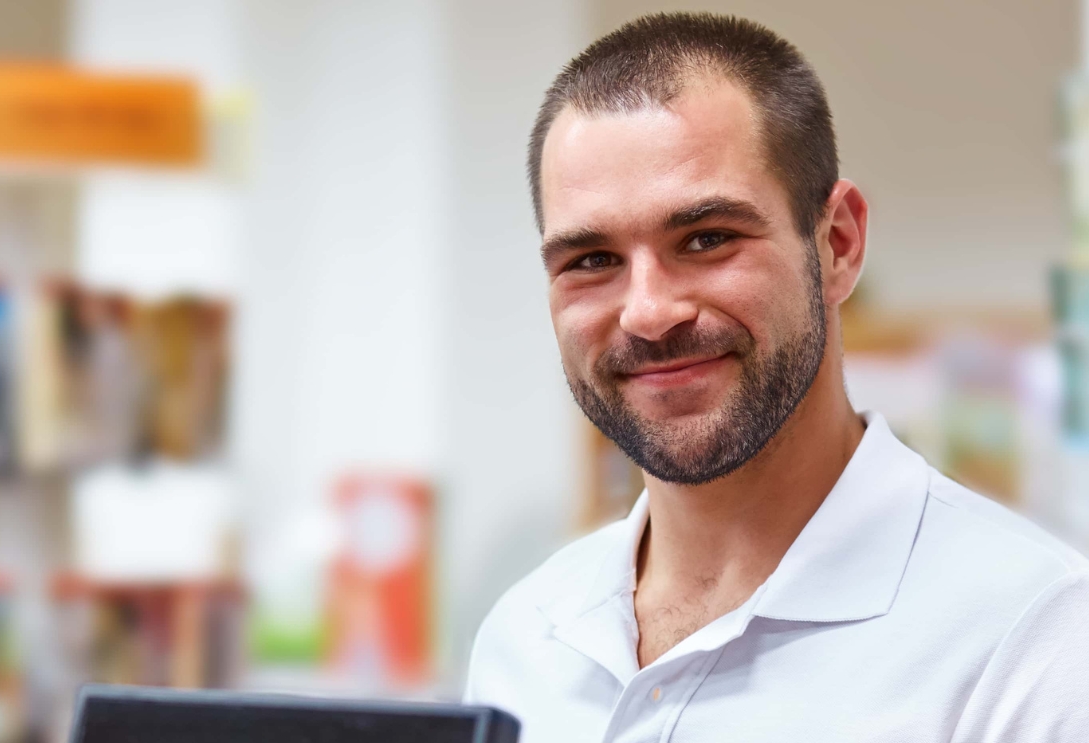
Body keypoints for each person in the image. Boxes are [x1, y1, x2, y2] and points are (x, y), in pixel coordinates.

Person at [464, 12, 1089, 743]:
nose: (647, 313)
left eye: (706, 238)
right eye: (591, 260)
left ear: (837, 244)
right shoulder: (522, 639)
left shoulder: (1031, 639)